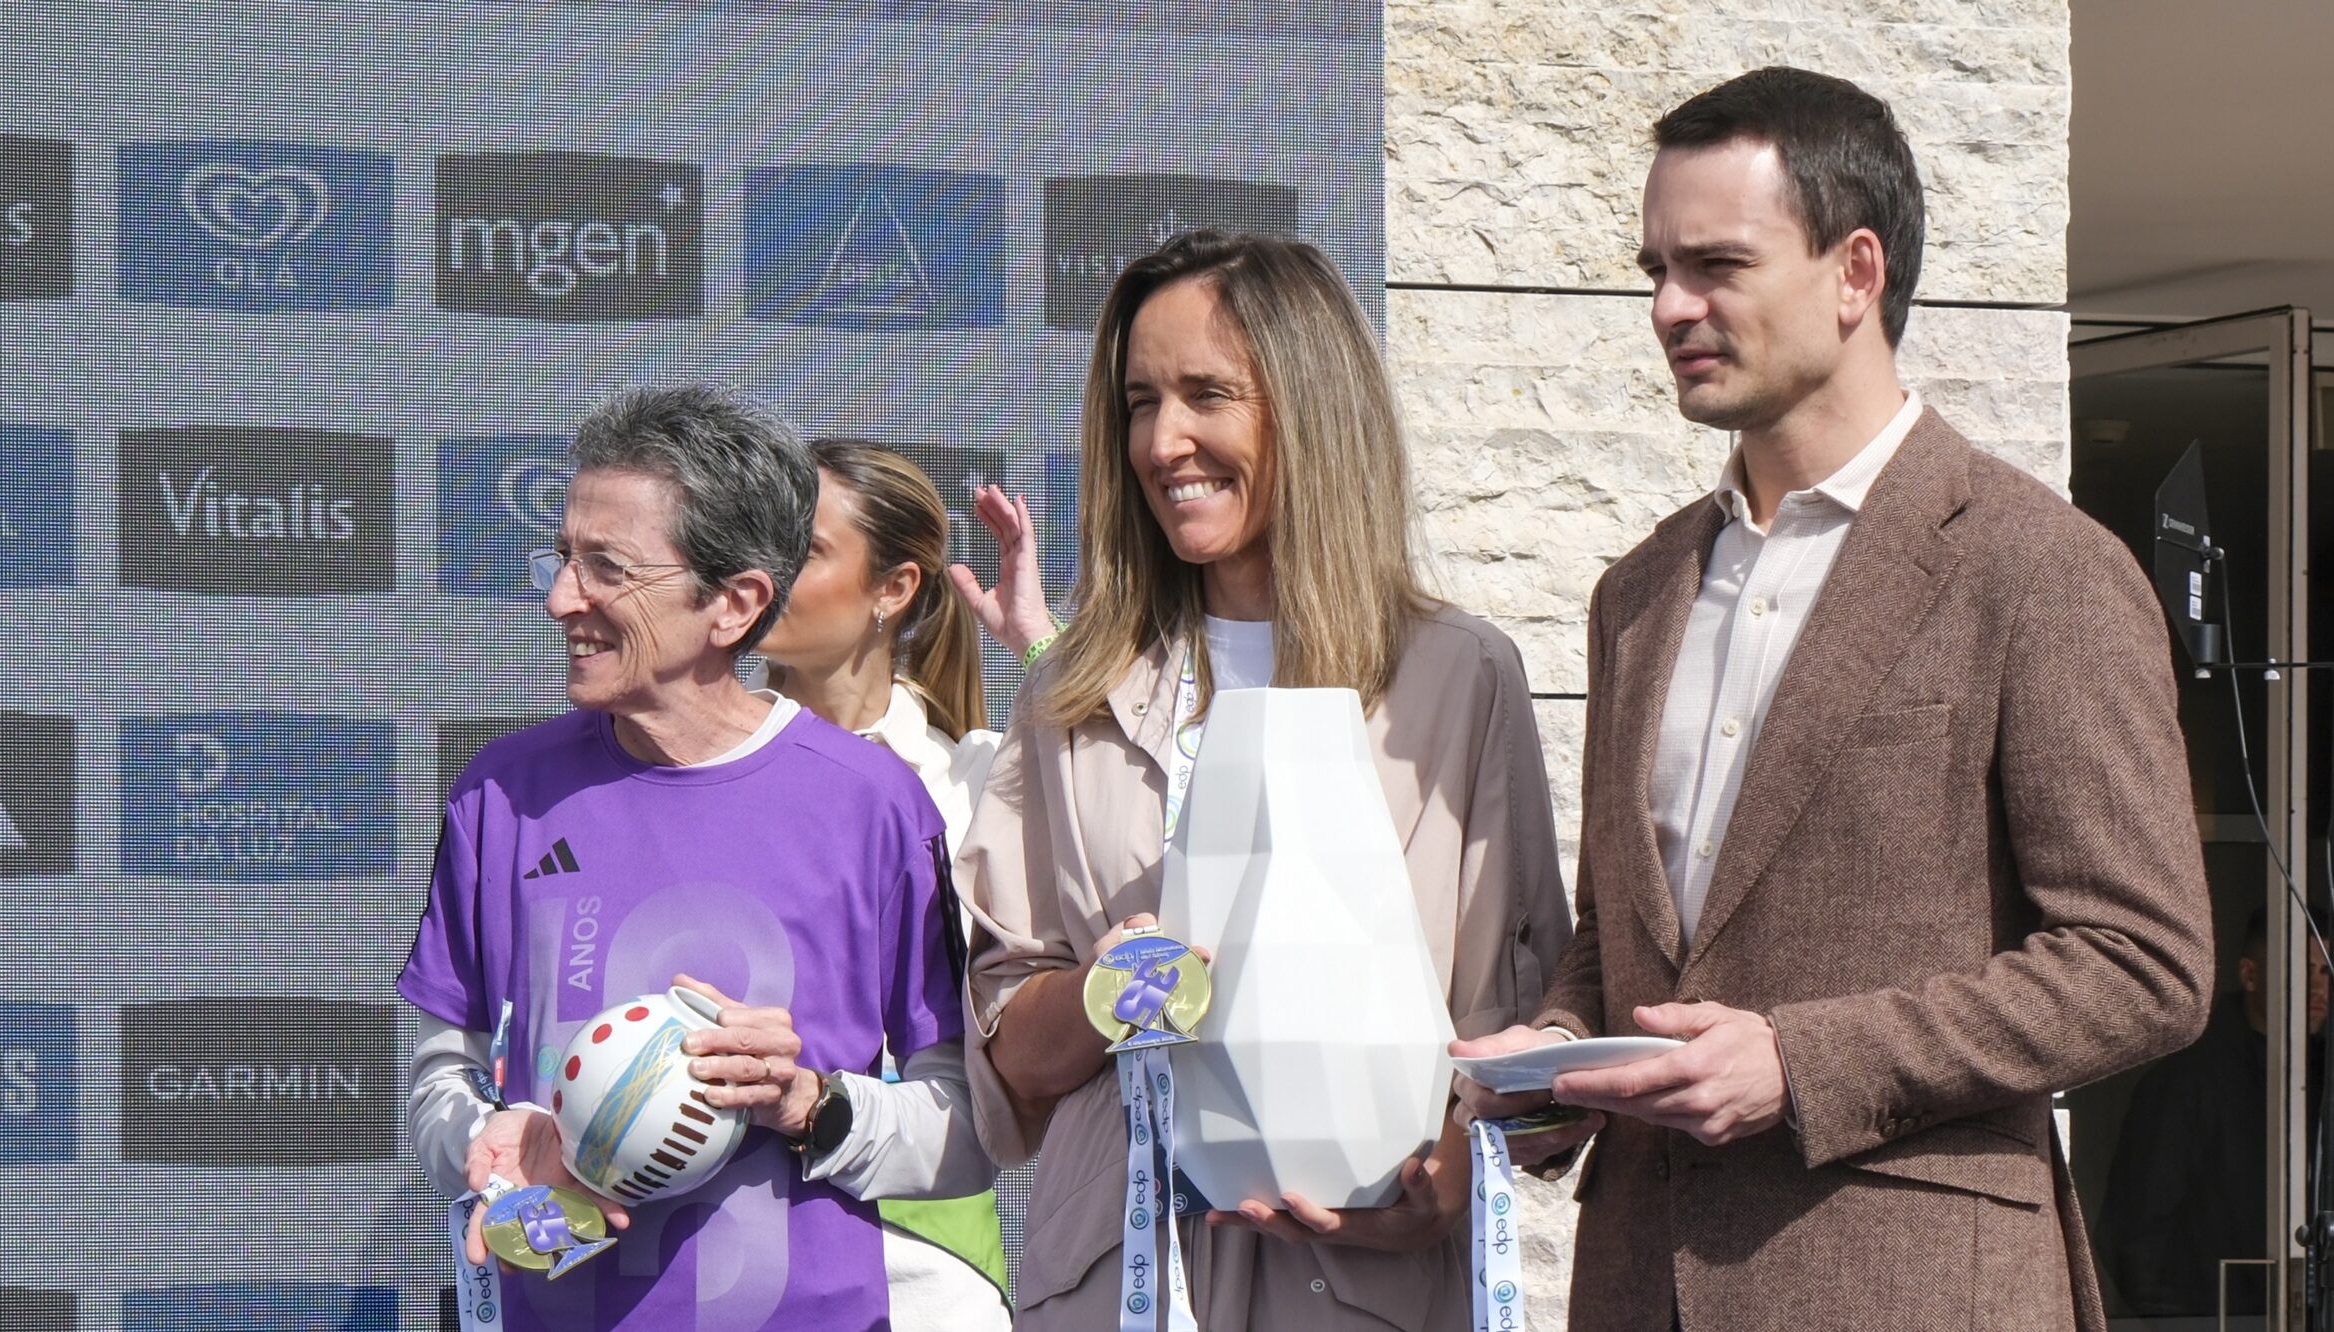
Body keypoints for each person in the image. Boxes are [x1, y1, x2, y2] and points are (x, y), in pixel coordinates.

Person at [1448, 67, 2213, 1332]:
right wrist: (1557, 1059)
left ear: (1856, 272)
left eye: (1715, 266)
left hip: (1910, 1288)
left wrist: (1802, 1063)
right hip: (1636, 1282)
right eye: (1655, 270)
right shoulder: (1637, 592)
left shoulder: (2037, 569)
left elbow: (2143, 964)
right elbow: (1622, 936)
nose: (1669, 307)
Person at [958, 229, 1572, 1330]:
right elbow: (1006, 1051)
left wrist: (1443, 1173)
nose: (1164, 442)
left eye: (1207, 395)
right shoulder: (1071, 690)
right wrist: (1109, 991)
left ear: (1310, 408)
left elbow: (1521, 1032)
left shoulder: (1462, 677)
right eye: (1140, 403)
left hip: (1364, 1287)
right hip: (1122, 1283)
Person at [397, 383, 977, 1331]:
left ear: (734, 604)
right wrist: (488, 1138)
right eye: (562, 558)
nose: (561, 599)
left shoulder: (873, 803)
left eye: (607, 569)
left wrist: (809, 1105)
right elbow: (440, 1080)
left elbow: (966, 1130)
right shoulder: (499, 794)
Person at [749, 437, 1018, 1329]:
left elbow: (1143, 830)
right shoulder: (685, 770)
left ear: (893, 589)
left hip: (932, 1263)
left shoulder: (975, 779)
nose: (763, 568)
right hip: (726, 1241)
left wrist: (1042, 647)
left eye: (803, 548)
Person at [2097, 909, 2330, 1318]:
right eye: (2301, 969)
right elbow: (2132, 1234)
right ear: (2250, 975)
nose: (2318, 987)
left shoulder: (2323, 1081)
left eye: (2326, 972)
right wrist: (2195, 1322)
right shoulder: (2187, 1081)